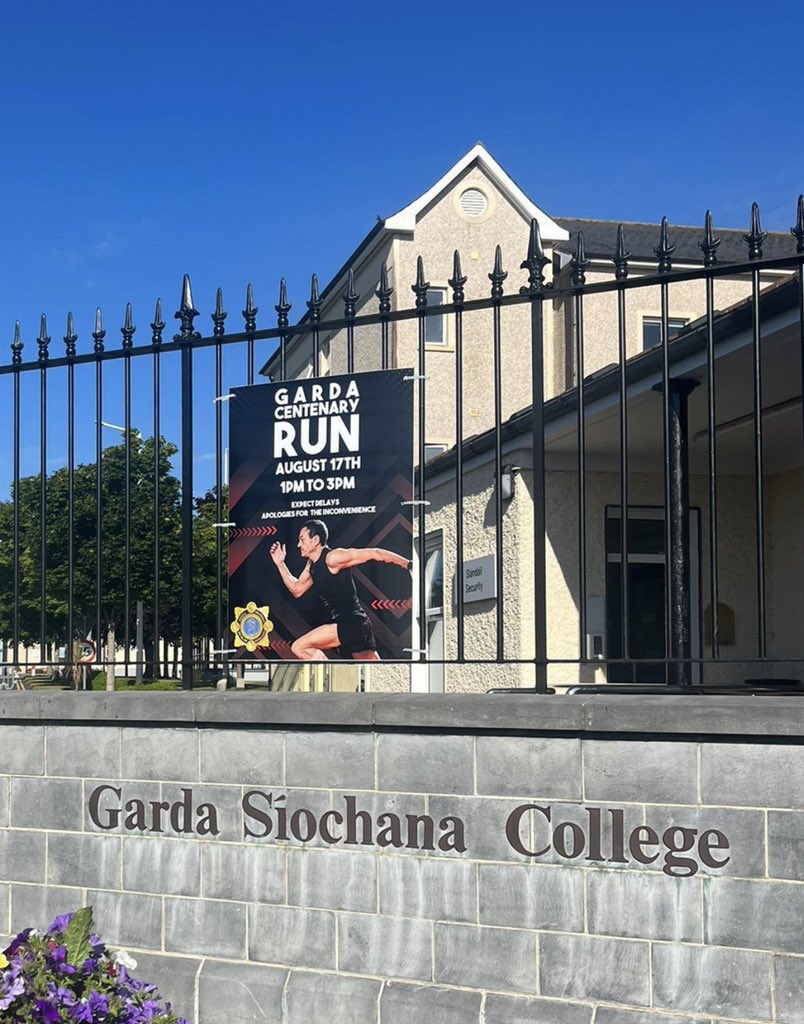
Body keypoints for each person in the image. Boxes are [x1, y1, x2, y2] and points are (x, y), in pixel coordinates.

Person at [269, 518, 411, 661]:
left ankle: (328, 678)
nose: (299, 544)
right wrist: (280, 564)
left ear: (315, 540)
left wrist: (408, 564)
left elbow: (375, 553)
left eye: (302, 539)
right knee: (375, 671)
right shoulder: (311, 565)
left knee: (299, 647)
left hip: (350, 624)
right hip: (357, 627)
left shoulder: (333, 558)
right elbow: (297, 589)